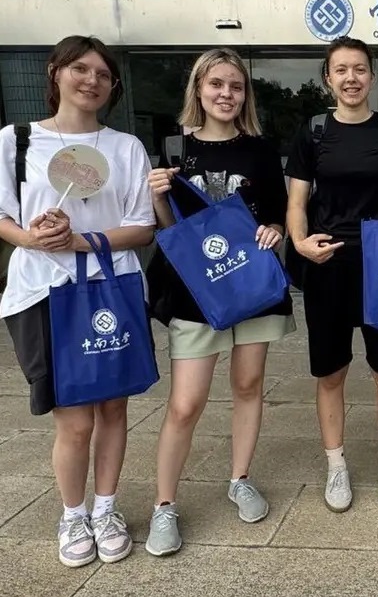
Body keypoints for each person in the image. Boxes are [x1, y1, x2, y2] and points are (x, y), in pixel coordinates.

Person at [0, 35, 155, 566]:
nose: (92, 81)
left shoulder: (126, 147)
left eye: (103, 74)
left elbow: (142, 227)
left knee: (113, 407)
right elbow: (3, 217)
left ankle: (106, 508)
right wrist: (32, 238)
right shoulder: (16, 140)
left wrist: (80, 241)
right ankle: (73, 514)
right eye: (80, 69)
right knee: (73, 418)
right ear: (55, 71)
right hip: (43, 292)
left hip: (111, 287)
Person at [145, 48, 295, 556]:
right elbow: (173, 233)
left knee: (248, 385)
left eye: (235, 85)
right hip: (196, 292)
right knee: (185, 403)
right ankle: (164, 505)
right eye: (216, 84)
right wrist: (158, 197)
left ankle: (240, 478)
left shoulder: (261, 150)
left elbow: (276, 215)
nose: (226, 94)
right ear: (199, 89)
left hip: (251, 286)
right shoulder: (175, 149)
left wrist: (274, 231)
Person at [285, 37, 378, 513]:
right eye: (341, 70)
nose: (351, 78)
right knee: (331, 372)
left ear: (372, 76)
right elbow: (296, 202)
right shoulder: (313, 132)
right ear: (328, 78)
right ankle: (336, 465)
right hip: (328, 265)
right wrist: (300, 242)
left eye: (359, 69)